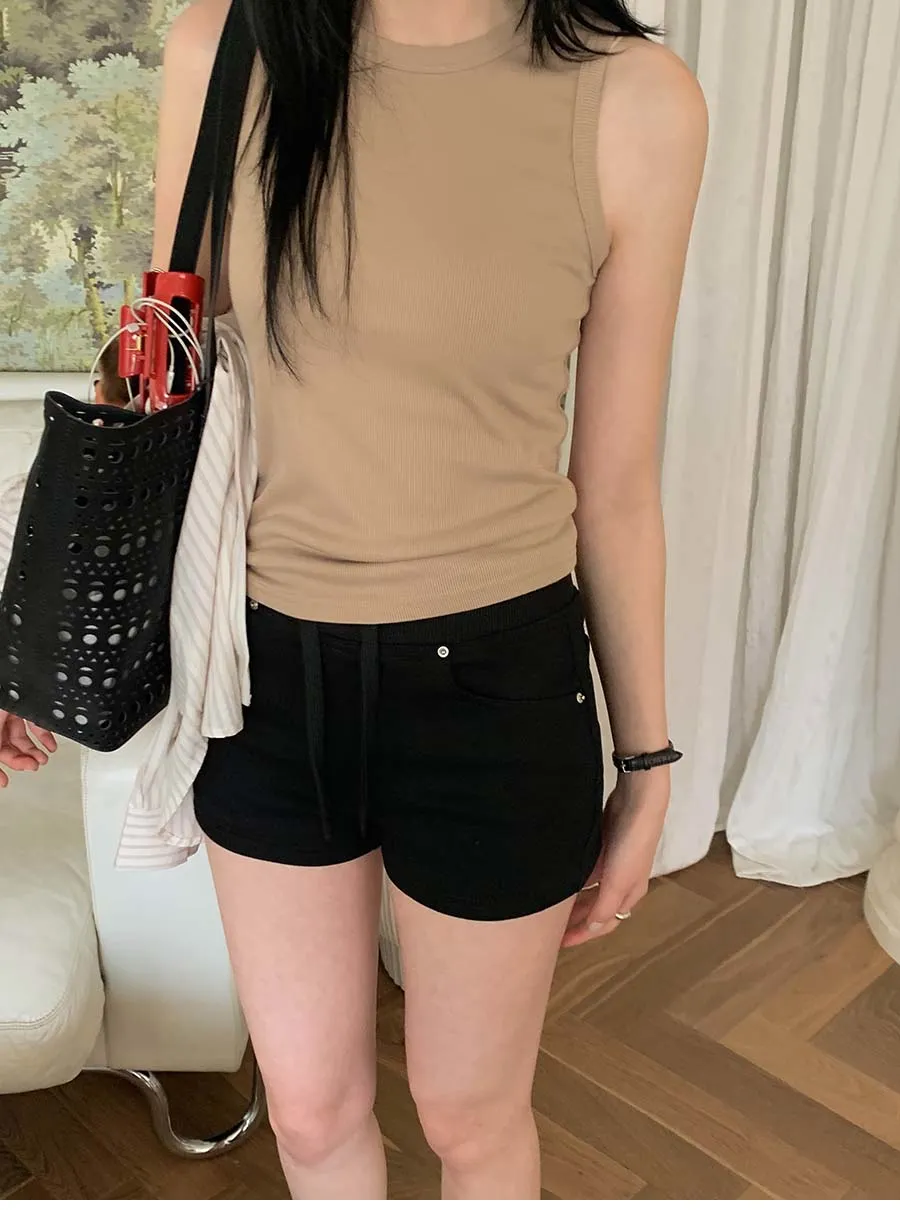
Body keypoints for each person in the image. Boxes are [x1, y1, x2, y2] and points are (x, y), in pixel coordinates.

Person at [0, 0, 707, 1198]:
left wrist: (648, 761)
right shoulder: (226, 46)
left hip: (500, 686)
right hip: (262, 676)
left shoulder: (636, 101)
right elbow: (159, 373)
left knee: (472, 1116)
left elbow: (618, 484)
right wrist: (38, 642)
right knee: (314, 1112)